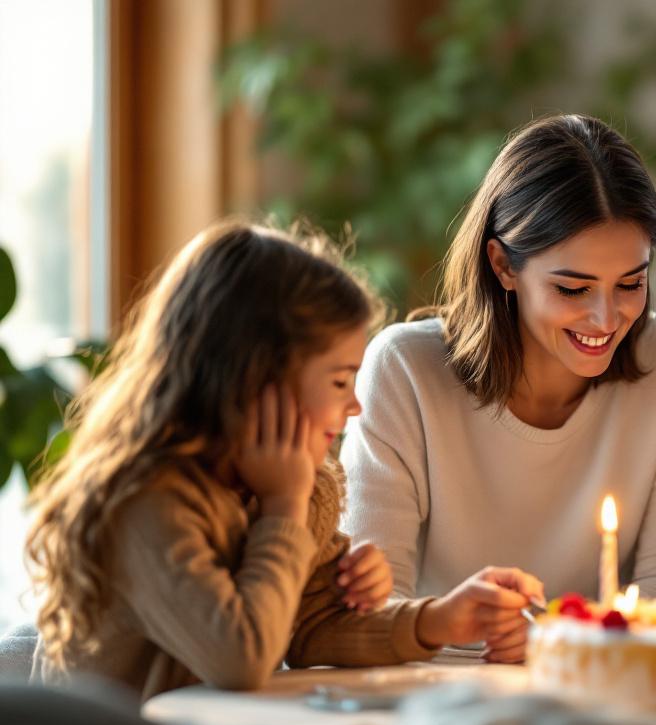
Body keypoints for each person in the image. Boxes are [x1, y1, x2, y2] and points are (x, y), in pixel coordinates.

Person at [24, 222, 546, 699]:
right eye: (340, 381)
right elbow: (240, 658)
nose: (355, 406)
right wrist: (283, 511)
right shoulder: (147, 503)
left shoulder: (299, 486)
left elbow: (311, 628)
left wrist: (439, 619)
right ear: (256, 380)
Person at [341, 115, 656, 605]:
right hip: (431, 672)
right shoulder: (404, 369)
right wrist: (462, 629)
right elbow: (367, 605)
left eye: (631, 283)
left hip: (604, 669)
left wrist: (560, 643)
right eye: (572, 288)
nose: (606, 319)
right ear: (502, 266)